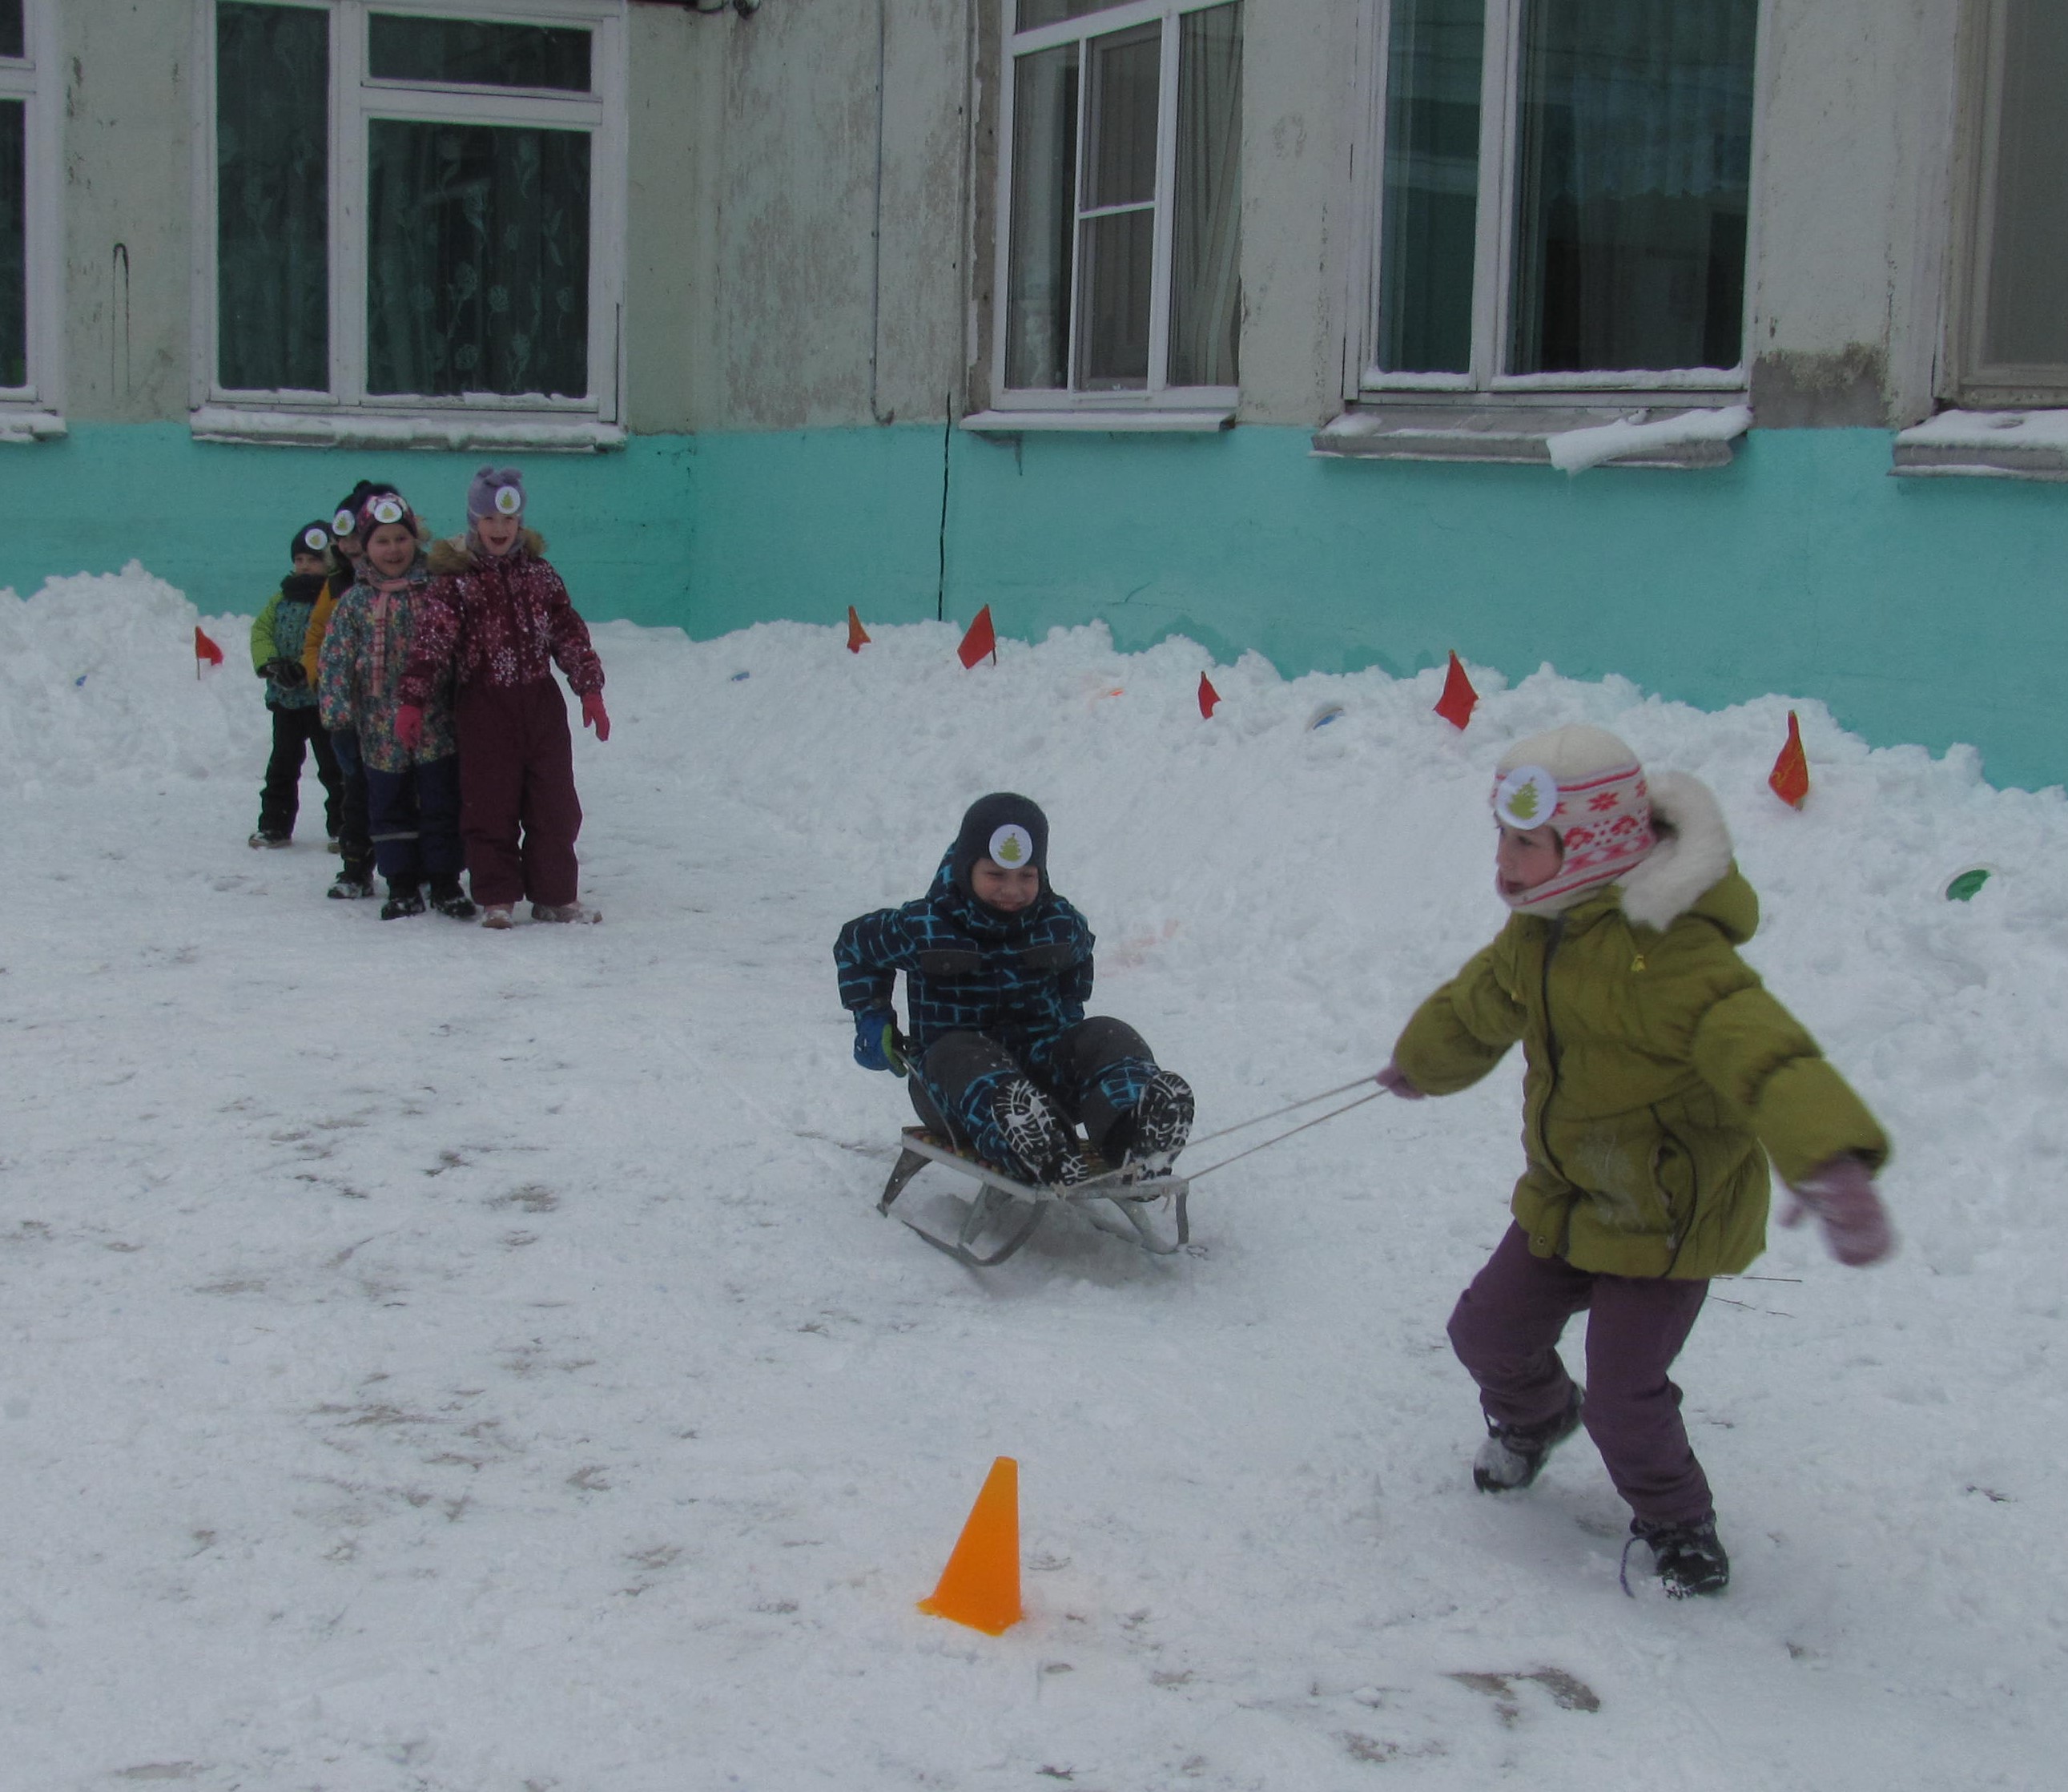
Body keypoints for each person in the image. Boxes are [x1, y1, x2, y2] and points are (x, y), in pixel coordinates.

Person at [1373, 724, 1893, 1599]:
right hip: (1570, 1192)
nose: (1502, 858)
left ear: (1592, 846)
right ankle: (1536, 1417)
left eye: (1526, 841)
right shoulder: (1536, 932)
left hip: (1663, 1218)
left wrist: (1829, 1159)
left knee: (1625, 1393)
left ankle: (1674, 1518)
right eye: (1499, 834)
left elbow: (1770, 1057)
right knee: (1485, 1333)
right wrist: (1423, 1061)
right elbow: (1477, 1006)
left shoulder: (1678, 958)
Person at [835, 793, 1194, 1187]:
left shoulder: (1057, 922)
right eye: (996, 875)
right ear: (964, 868)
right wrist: (872, 1014)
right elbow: (855, 945)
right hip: (949, 1088)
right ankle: (1041, 1151)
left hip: (1044, 1079)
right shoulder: (924, 926)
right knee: (963, 1052)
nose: (1013, 890)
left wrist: (1071, 1014)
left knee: (1107, 1034)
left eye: (1027, 876)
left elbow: (1080, 952)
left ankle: (1135, 1137)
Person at [395, 467, 609, 928]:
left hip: (539, 704)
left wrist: (589, 688)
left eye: (508, 521)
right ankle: (497, 896)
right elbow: (432, 642)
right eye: (489, 519)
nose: (499, 529)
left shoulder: (540, 575)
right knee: (489, 805)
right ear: (474, 521)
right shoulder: (457, 580)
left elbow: (568, 631)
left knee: (555, 805)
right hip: (484, 706)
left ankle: (554, 896)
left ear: (520, 523)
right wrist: (412, 699)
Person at [316, 488, 473, 921]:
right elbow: (334, 662)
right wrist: (338, 718)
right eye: (382, 541)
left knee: (441, 801)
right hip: (379, 729)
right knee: (388, 807)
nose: (393, 549)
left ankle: (445, 881)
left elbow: (461, 649)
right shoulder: (354, 604)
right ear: (365, 547)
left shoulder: (436, 592)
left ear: (415, 541)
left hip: (436, 724)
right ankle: (401, 883)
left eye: (401, 539)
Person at [303, 481, 396, 901]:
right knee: (355, 787)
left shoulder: (409, 581)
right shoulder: (339, 587)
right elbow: (319, 637)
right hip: (350, 712)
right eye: (347, 535)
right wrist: (318, 678)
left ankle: (413, 865)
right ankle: (356, 866)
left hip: (396, 713)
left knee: (401, 792)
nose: (353, 544)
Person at [247, 520, 344, 850]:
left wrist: (305, 670)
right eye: (299, 560)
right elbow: (261, 632)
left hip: (322, 699)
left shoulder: (332, 599)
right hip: (285, 700)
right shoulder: (280, 599)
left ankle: (344, 827)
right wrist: (271, 664)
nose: (304, 567)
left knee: (334, 767)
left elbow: (329, 641)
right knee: (282, 765)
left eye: (312, 560)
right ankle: (275, 824)